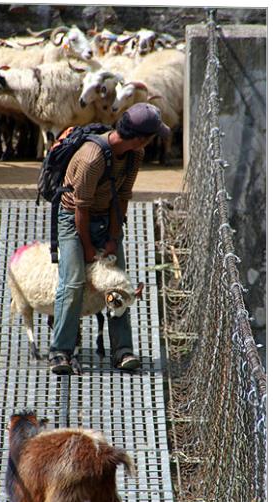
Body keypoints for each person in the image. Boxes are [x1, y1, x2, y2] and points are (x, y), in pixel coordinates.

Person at [48, 102, 171, 375]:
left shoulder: (133, 155)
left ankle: (122, 350)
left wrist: (114, 237)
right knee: (74, 282)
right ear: (140, 138)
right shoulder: (91, 158)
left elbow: (123, 196)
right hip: (73, 219)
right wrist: (89, 249)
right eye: (151, 137)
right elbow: (80, 208)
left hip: (106, 217)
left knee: (117, 282)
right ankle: (60, 351)